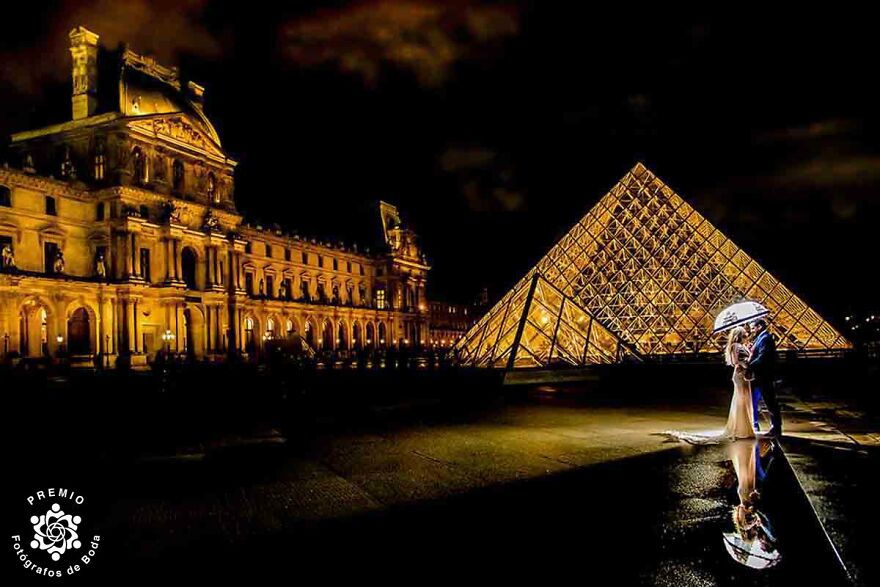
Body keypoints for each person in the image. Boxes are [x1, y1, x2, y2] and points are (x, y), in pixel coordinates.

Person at [663, 326, 755, 444]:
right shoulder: (736, 346)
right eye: (745, 335)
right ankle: (742, 429)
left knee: (742, 400)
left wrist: (749, 351)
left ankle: (742, 427)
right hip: (741, 375)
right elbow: (737, 361)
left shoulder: (739, 346)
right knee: (742, 401)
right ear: (740, 336)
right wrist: (750, 361)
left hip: (742, 376)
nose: (747, 336)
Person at [748, 318, 781, 436]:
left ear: (760, 326)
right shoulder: (761, 338)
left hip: (764, 376)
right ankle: (774, 427)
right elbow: (758, 353)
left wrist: (749, 365)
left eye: (753, 328)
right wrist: (751, 348)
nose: (751, 331)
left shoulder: (765, 338)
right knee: (766, 401)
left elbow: (763, 357)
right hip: (761, 376)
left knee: (770, 402)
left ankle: (776, 428)